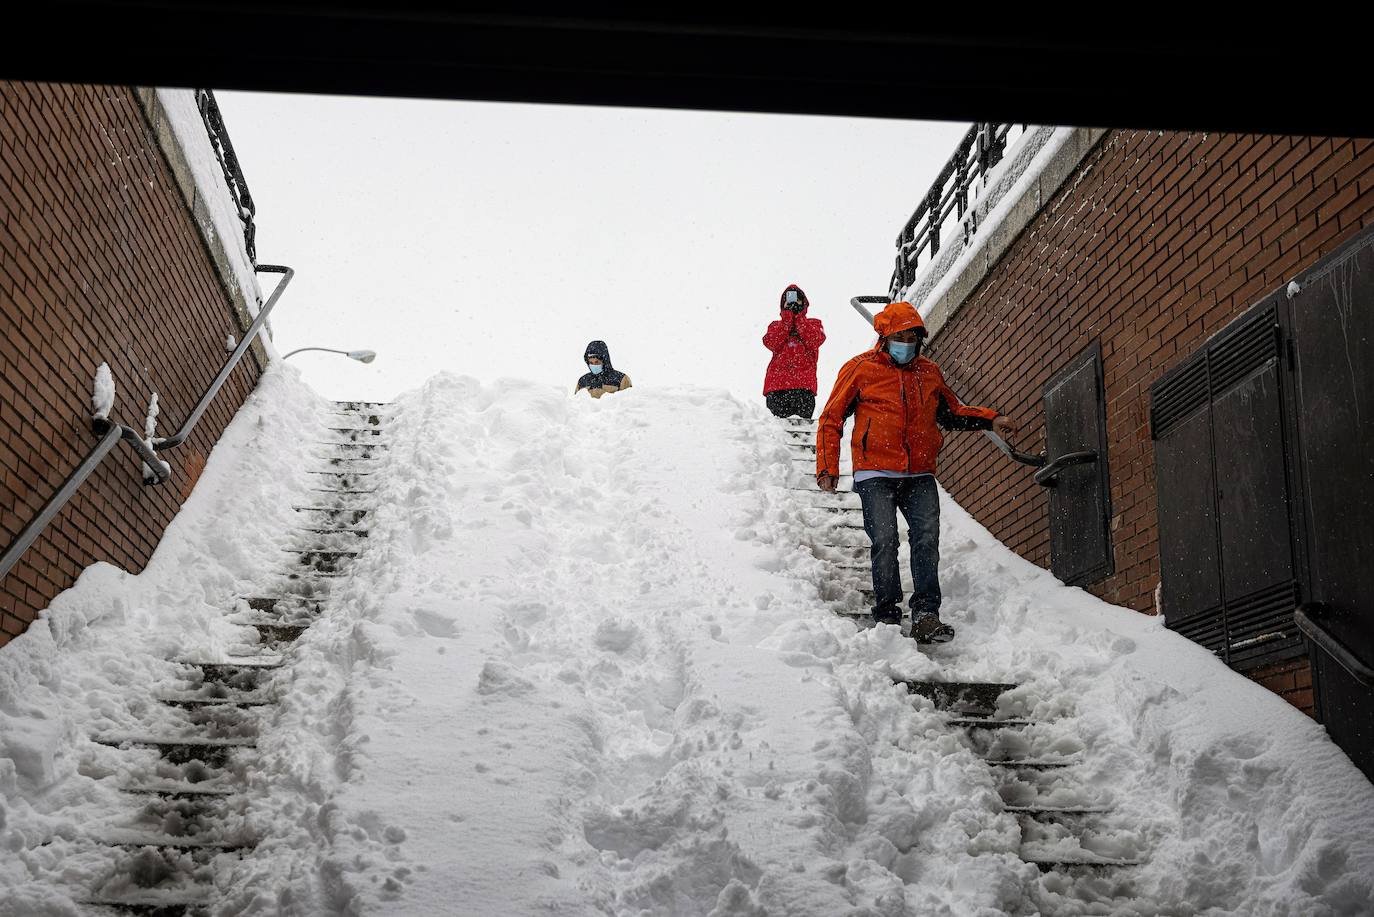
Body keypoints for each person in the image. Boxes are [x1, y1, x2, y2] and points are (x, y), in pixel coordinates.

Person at [815, 301, 1018, 643]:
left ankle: (926, 614)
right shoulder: (860, 369)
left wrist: (990, 418)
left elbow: (952, 412)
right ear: (885, 337)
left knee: (926, 540)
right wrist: (827, 467)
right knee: (885, 540)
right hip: (875, 471)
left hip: (919, 473)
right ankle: (887, 613)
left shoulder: (929, 372)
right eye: (900, 336)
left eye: (913, 337)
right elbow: (831, 418)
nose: (906, 343)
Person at [762, 284, 825, 418]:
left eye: (797, 299)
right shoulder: (775, 326)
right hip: (777, 388)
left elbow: (814, 340)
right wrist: (787, 318)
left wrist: (799, 318)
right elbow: (771, 342)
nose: (792, 302)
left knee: (802, 431)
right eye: (788, 299)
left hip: (804, 387)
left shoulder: (814, 324)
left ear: (804, 303)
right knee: (777, 432)